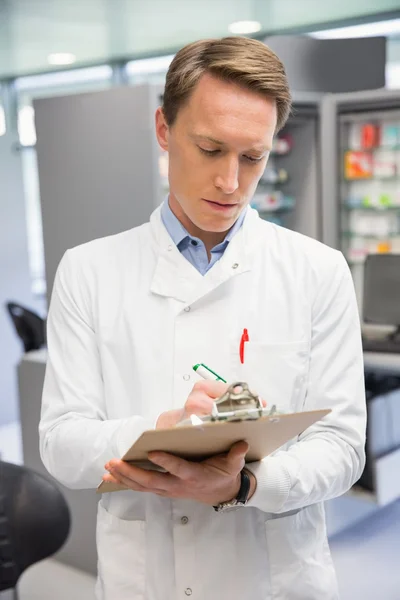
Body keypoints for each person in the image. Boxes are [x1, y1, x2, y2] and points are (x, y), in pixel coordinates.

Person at [39, 36, 366, 600]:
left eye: (253, 156)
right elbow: (61, 442)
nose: (231, 182)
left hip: (275, 579)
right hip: (144, 580)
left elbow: (342, 446)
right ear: (164, 129)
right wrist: (155, 438)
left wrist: (245, 482)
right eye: (210, 149)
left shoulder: (319, 270)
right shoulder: (88, 270)